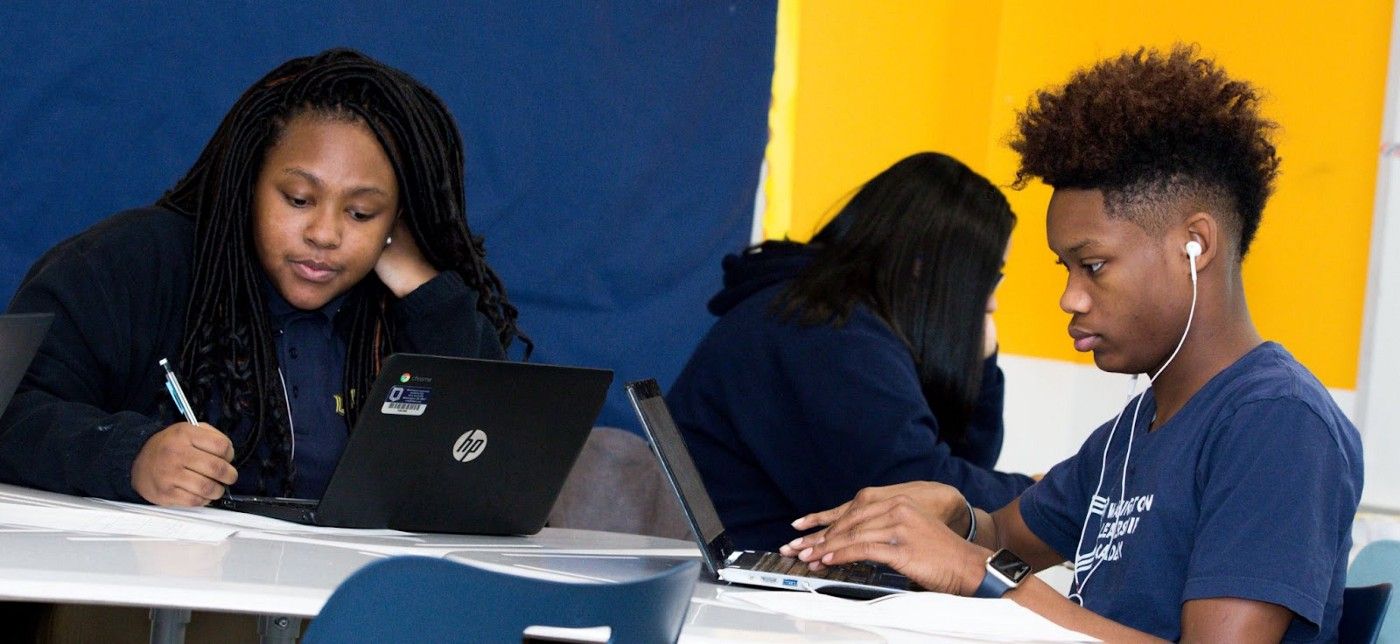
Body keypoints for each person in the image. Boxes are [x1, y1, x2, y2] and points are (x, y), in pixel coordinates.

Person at [781, 46, 1362, 642]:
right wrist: (955, 514)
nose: (1070, 299)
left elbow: (989, 569)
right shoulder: (1135, 429)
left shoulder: (1275, 422)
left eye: (1093, 265)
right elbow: (1004, 538)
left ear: (1196, 245)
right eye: (1066, 268)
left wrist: (982, 575)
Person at [0, 48, 527, 506]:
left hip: (348, 605)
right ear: (248, 179)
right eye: (298, 199)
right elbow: (14, 414)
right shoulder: (127, 265)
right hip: (157, 603)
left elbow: (502, 475)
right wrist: (130, 456)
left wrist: (423, 290)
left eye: (362, 213)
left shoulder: (404, 304)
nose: (325, 233)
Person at [667, 152, 1035, 550]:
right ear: (921, 266)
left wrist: (980, 364)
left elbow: (961, 473)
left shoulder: (829, 316)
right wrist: (1038, 500)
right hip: (742, 592)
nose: (991, 301)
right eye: (988, 277)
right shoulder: (825, 332)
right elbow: (915, 495)